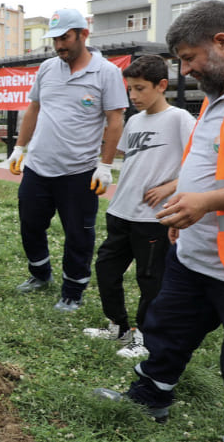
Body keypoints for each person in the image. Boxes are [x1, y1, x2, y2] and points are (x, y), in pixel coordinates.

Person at [95, 0, 224, 440]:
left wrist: (206, 203)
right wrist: (184, 202)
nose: (185, 71)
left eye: (189, 59)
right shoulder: (221, 92)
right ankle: (151, 395)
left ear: (222, 42)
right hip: (195, 253)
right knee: (166, 331)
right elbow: (208, 157)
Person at [7, 8, 128, 312]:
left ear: (83, 35)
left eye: (65, 38)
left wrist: (105, 165)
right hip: (38, 167)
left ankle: (73, 291)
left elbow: (115, 121)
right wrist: (20, 148)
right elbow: (33, 109)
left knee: (79, 235)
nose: (59, 45)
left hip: (79, 172)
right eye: (55, 40)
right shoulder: (48, 68)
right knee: (30, 224)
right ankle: (40, 274)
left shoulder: (107, 73)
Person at [83, 55, 195, 358]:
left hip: (153, 218)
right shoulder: (134, 120)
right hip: (121, 211)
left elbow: (201, 162)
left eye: (140, 88)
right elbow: (129, 159)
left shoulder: (180, 119)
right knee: (106, 269)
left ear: (161, 85)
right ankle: (118, 326)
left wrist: (171, 187)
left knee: (150, 280)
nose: (133, 96)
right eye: (130, 89)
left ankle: (144, 337)